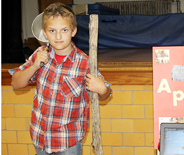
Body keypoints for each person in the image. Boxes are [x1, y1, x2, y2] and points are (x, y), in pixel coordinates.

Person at [9, 3, 112, 155]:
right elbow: (15, 84)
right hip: (40, 137)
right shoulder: (40, 54)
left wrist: (103, 89)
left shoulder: (84, 63)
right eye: (52, 31)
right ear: (44, 33)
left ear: (73, 31)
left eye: (64, 30)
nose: (58, 36)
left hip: (68, 142)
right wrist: (35, 66)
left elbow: (105, 94)